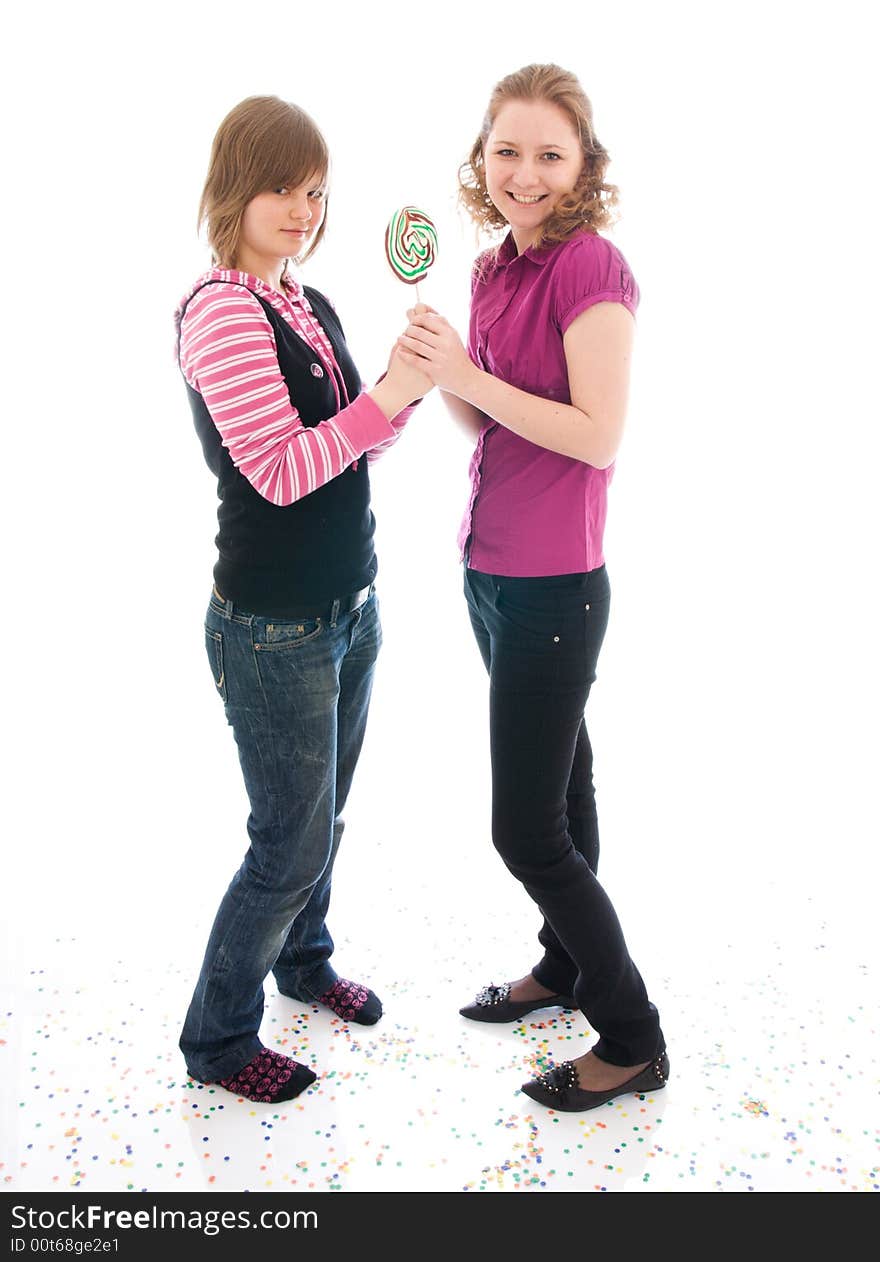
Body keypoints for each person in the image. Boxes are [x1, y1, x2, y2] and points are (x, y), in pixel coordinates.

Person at [397, 64, 668, 1112]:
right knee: (568, 792)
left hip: (557, 588)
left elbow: (598, 436)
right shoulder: (488, 268)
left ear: (583, 166)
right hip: (490, 574)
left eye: (548, 154)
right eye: (505, 150)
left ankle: (633, 1034)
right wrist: (438, 367)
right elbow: (488, 418)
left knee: (526, 831)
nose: (523, 172)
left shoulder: (590, 265)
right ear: (481, 157)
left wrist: (467, 378)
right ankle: (563, 968)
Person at [175, 95, 431, 1104]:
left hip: (347, 603)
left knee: (323, 822)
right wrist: (376, 408)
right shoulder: (221, 309)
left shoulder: (307, 303)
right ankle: (219, 1037)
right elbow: (280, 472)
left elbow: (359, 437)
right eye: (283, 186)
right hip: (274, 624)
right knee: (286, 844)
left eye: (317, 191)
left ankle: (303, 959)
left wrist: (404, 385)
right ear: (238, 186)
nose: (302, 209)